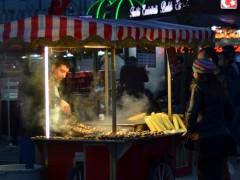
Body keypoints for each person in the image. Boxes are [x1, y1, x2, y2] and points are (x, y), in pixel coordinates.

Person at [185, 58, 235, 180]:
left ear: (198, 72)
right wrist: (223, 126)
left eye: (194, 70)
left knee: (205, 175)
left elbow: (192, 113)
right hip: (221, 138)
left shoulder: (198, 87)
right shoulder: (218, 86)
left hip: (204, 140)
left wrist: (191, 130)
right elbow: (230, 111)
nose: (193, 73)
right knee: (217, 174)